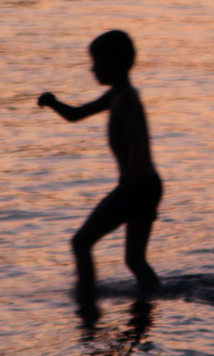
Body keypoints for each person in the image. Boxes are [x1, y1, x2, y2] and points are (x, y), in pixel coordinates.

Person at [37, 30, 163, 303]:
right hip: (146, 185)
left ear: (114, 64)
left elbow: (139, 144)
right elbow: (76, 115)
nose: (92, 69)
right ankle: (154, 297)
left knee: (81, 243)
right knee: (135, 260)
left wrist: (128, 181)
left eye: (96, 62)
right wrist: (54, 103)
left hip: (138, 186)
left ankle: (86, 299)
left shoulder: (127, 98)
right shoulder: (114, 96)